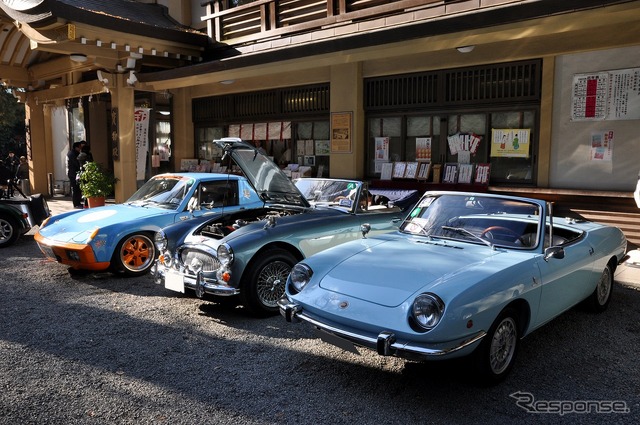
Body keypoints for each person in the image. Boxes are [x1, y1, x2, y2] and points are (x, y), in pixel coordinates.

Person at [66, 142, 83, 208]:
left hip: (73, 173)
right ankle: (76, 203)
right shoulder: (72, 154)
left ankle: (77, 202)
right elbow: (76, 164)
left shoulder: (72, 153)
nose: (80, 149)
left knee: (77, 188)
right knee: (76, 189)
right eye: (79, 147)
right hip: (73, 174)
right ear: (76, 147)